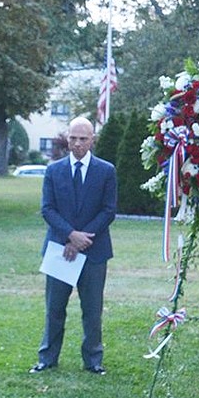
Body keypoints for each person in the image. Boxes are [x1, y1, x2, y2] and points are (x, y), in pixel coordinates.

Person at [30, 117, 117, 374]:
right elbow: (47, 209)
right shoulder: (53, 170)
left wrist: (82, 239)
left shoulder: (106, 171)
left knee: (92, 310)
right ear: (67, 139)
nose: (77, 144)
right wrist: (70, 235)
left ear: (92, 140)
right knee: (54, 308)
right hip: (60, 249)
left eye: (83, 139)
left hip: (94, 250)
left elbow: (108, 210)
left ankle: (93, 360)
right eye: (73, 138)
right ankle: (47, 358)